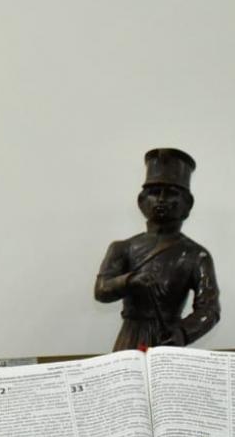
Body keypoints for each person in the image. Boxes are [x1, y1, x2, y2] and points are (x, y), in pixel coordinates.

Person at [94, 148, 219, 351]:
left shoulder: (197, 255)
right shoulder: (123, 248)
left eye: (171, 193)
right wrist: (130, 281)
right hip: (130, 340)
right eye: (154, 192)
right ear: (141, 201)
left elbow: (210, 309)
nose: (161, 199)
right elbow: (101, 291)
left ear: (187, 204)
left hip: (168, 340)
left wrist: (182, 333)